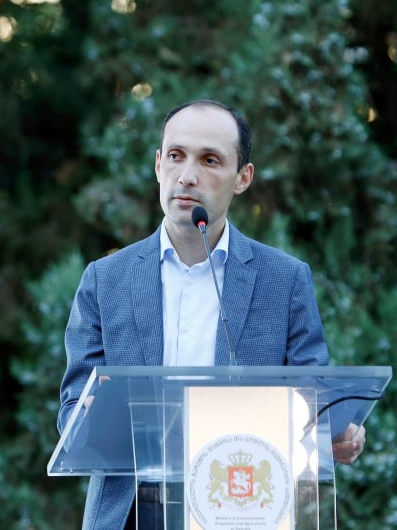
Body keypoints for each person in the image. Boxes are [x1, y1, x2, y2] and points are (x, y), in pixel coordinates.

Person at [57, 99, 366, 530]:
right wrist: (96, 417)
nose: (187, 175)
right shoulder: (104, 280)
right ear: (158, 165)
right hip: (129, 514)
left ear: (243, 178)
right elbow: (73, 410)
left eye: (210, 160)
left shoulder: (285, 280)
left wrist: (336, 432)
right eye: (176, 155)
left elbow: (311, 401)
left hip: (241, 506)